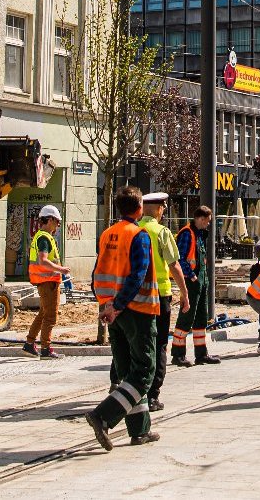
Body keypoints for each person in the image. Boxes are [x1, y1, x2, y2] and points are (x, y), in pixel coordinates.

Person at [84, 187, 162, 449]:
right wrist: (117, 305)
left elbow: (97, 273)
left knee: (128, 371)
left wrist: (106, 305)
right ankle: (103, 416)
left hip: (113, 313)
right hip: (137, 311)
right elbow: (138, 275)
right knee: (143, 372)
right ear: (139, 207)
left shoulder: (107, 234)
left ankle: (140, 430)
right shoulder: (138, 235)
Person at [137, 192, 188, 411]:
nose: (164, 211)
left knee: (139, 342)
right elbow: (174, 265)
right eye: (163, 207)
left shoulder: (134, 229)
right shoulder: (161, 232)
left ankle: (130, 387)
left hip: (135, 296)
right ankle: (153, 394)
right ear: (158, 209)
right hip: (160, 296)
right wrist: (185, 293)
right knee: (159, 344)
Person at [171, 206, 219, 366]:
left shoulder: (198, 235)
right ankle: (177, 354)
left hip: (201, 283)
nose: (208, 225)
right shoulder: (187, 233)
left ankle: (201, 354)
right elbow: (181, 259)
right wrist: (192, 277)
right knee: (186, 318)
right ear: (201, 218)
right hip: (192, 283)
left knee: (200, 319)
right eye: (207, 221)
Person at [23, 205, 70, 358]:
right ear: (49, 220)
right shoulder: (44, 238)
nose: (58, 225)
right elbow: (43, 261)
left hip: (45, 281)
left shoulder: (41, 237)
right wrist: (61, 270)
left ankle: (29, 344)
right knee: (50, 316)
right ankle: (45, 349)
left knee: (43, 314)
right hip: (48, 282)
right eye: (57, 221)